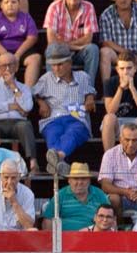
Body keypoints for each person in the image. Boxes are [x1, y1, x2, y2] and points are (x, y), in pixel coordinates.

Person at [34, 42, 96, 175]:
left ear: (69, 62)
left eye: (60, 64)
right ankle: (60, 163)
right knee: (52, 134)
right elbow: (34, 94)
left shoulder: (82, 76)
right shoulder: (46, 79)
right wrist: (41, 102)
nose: (56, 69)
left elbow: (90, 91)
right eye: (53, 65)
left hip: (76, 117)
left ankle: (57, 159)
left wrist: (90, 98)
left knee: (73, 132)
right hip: (53, 118)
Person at [0, 53, 37, 175]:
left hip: (17, 123)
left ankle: (33, 163)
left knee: (25, 126)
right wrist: (12, 106)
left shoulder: (24, 88)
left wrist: (13, 86)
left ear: (16, 67)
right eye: (3, 66)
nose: (7, 69)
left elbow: (28, 107)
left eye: (10, 65)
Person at [0, 0, 42, 88]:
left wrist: (17, 55)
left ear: (19, 4)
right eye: (6, 2)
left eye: (13, 2)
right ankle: (3, 89)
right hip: (0, 51)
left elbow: (32, 37)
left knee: (36, 59)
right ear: (1, 5)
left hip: (21, 51)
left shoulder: (26, 17)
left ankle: (27, 93)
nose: (10, 5)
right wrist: (5, 54)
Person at [43, 0, 99, 79]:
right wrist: (76, 46)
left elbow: (88, 39)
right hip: (60, 52)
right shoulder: (54, 7)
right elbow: (51, 40)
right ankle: (52, 90)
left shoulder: (89, 7)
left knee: (93, 49)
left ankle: (88, 89)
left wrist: (67, 45)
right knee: (51, 49)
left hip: (79, 53)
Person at [101, 50, 137, 152]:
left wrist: (133, 88)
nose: (125, 72)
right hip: (117, 122)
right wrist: (120, 89)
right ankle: (109, 160)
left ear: (135, 68)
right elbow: (110, 110)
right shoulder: (110, 83)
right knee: (108, 118)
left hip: (136, 121)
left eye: (129, 68)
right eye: (122, 69)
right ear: (117, 69)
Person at [42, 161, 109, 230]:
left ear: (89, 180)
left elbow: (110, 218)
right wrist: (50, 240)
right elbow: (48, 221)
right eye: (76, 178)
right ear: (69, 180)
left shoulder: (99, 194)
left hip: (92, 238)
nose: (79, 182)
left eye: (83, 179)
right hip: (65, 238)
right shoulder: (60, 195)